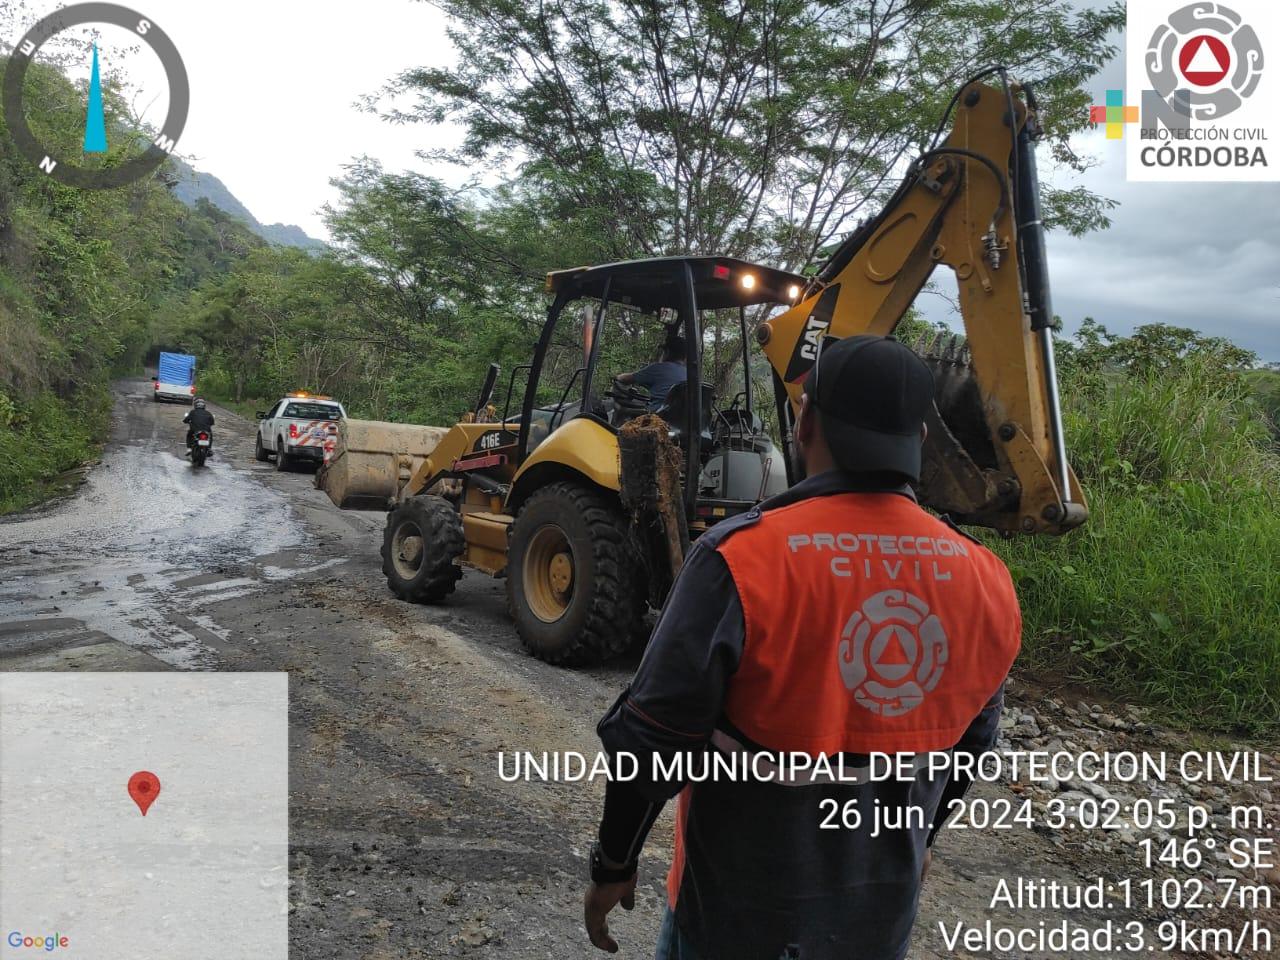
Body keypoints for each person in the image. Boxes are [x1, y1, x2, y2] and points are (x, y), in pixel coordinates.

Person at [583, 335, 1022, 959]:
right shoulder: (987, 579)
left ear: (806, 421)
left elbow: (651, 744)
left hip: (732, 920)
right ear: (920, 443)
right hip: (878, 923)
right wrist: (922, 840)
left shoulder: (739, 558)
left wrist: (614, 862)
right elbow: (970, 750)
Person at [615, 336, 687, 410]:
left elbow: (627, 379)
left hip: (658, 415)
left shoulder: (659, 368)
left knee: (620, 409)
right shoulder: (689, 373)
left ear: (667, 352)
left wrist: (618, 377)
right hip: (680, 416)